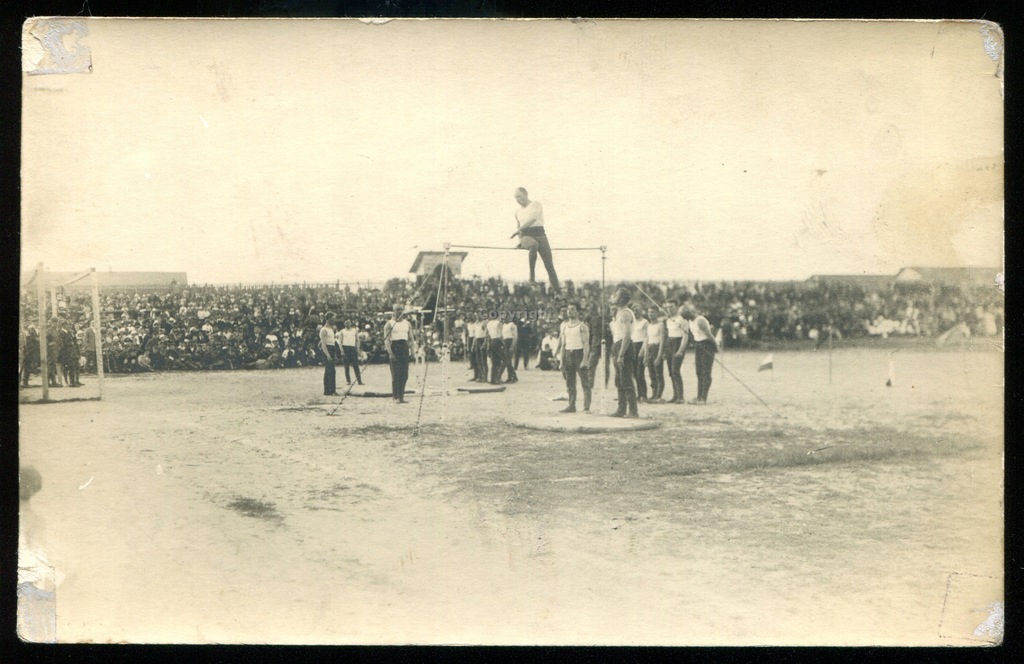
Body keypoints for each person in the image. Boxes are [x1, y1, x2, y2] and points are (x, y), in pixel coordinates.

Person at [510, 187, 560, 291]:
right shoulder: (517, 212)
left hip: (540, 234)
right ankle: (532, 278)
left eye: (519, 196)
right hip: (526, 236)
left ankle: (558, 292)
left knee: (549, 265)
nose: (518, 200)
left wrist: (518, 230)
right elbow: (518, 227)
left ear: (526, 194)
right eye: (515, 198)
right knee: (533, 245)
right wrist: (520, 240)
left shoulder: (535, 204)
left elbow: (532, 219)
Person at [610, 288, 639, 418]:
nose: (613, 297)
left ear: (621, 298)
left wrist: (621, 354)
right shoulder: (619, 313)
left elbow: (627, 335)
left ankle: (633, 411)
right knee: (619, 380)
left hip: (624, 347)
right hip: (617, 345)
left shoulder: (626, 313)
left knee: (626, 380)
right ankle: (621, 409)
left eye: (615, 295)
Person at [559, 302, 592, 413]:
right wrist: (561, 360)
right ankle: (571, 405)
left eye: (573, 309)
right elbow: (563, 345)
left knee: (585, 382)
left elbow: (586, 344)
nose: (570, 311)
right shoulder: (565, 326)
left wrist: (585, 359)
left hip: (579, 353)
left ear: (578, 311)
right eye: (568, 309)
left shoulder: (582, 326)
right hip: (569, 354)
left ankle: (586, 406)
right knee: (570, 382)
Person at [683, 305, 717, 404]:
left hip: (707, 344)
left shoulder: (700, 320)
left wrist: (715, 346)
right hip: (698, 345)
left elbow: (709, 335)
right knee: (699, 371)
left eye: (685, 315)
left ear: (690, 312)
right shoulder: (690, 321)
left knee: (706, 372)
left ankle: (703, 398)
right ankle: (699, 396)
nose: (684, 318)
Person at [384, 303, 415, 404]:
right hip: (395, 347)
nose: (399, 312)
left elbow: (411, 339)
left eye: (401, 310)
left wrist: (413, 352)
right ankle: (395, 397)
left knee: (404, 374)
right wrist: (390, 353)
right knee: (396, 374)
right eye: (397, 310)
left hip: (404, 347)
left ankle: (401, 396)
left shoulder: (407, 323)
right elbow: (387, 340)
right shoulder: (389, 324)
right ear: (393, 311)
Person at [664, 299, 688, 403]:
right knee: (670, 372)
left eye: (671, 307)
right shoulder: (668, 320)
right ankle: (675, 395)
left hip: (678, 344)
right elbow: (668, 335)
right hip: (670, 344)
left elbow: (685, 336)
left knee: (675, 370)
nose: (669, 309)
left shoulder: (682, 319)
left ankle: (681, 397)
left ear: (677, 307)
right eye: (667, 307)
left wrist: (680, 350)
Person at [642, 306, 666, 403]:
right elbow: (647, 340)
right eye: (649, 312)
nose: (651, 314)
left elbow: (662, 341)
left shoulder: (661, 325)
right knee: (651, 374)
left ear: (657, 313)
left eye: (653, 312)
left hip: (657, 348)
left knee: (658, 373)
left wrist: (659, 356)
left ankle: (658, 395)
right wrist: (646, 355)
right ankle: (653, 394)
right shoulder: (648, 326)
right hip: (650, 348)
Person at [630, 304, 648, 403]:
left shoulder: (644, 322)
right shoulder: (632, 322)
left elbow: (646, 337)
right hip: (633, 346)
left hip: (641, 346)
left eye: (637, 310)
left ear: (641, 311)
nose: (636, 313)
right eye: (634, 311)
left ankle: (643, 394)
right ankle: (637, 394)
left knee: (640, 373)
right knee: (634, 373)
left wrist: (643, 350)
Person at [319, 313, 339, 396]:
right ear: (328, 319)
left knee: (330, 370)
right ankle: (330, 390)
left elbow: (332, 342)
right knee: (330, 370)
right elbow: (323, 344)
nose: (334, 320)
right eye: (333, 318)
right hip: (327, 350)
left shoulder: (331, 329)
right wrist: (328, 355)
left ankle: (328, 390)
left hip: (332, 348)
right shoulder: (324, 330)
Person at [484, 308, 506, 385]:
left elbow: (487, 334)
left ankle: (493, 379)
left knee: (495, 361)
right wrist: (503, 343)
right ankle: (498, 377)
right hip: (497, 341)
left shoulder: (489, 323)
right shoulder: (498, 323)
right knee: (505, 360)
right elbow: (500, 335)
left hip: (492, 341)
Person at [339, 319, 363, 385]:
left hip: (352, 348)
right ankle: (348, 381)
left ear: (351, 323)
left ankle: (359, 380)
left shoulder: (354, 331)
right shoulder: (342, 331)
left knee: (356, 366)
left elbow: (357, 340)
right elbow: (340, 342)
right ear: (344, 324)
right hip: (345, 348)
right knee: (346, 366)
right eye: (346, 323)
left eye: (349, 323)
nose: (348, 324)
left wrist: (357, 348)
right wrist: (342, 350)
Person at [501, 313, 518, 383]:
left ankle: (513, 377)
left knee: (508, 360)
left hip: (510, 342)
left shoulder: (512, 325)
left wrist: (512, 346)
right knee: (507, 361)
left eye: (506, 318)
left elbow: (515, 337)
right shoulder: (503, 325)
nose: (504, 319)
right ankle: (511, 376)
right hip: (505, 342)